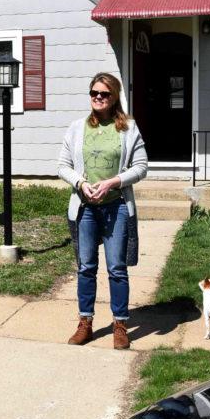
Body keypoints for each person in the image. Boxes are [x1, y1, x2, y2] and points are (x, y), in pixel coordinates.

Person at [57, 72, 147, 350]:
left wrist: (112, 182)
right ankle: (85, 322)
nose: (98, 97)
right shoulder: (76, 128)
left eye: (104, 94)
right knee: (86, 267)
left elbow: (141, 167)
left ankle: (120, 324)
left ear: (114, 97)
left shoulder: (128, 128)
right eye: (94, 93)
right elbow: (63, 166)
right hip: (85, 208)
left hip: (116, 206)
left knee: (117, 269)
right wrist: (81, 183)